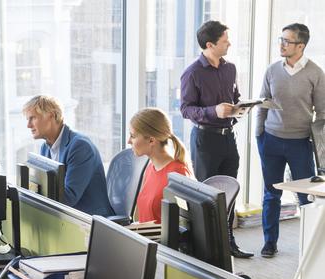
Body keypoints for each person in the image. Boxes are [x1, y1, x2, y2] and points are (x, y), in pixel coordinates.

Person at [180, 20, 253, 259]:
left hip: (227, 138)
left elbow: (235, 97)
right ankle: (205, 247)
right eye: (225, 40)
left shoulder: (230, 68)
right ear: (210, 44)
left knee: (229, 190)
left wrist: (240, 108)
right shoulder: (192, 73)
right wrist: (213, 111)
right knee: (207, 194)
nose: (229, 43)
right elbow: (186, 109)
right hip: (205, 140)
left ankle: (228, 242)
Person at [255, 23, 325, 258]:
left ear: (301, 46)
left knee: (307, 196)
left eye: (287, 41)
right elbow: (262, 104)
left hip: (300, 143)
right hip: (271, 140)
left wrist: (318, 146)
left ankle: (310, 247)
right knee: (271, 193)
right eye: (280, 39)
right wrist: (259, 135)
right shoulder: (272, 70)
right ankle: (269, 242)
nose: (281, 44)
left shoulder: (315, 73)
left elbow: (322, 114)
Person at [23, 95, 110, 216]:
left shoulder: (80, 147)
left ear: (51, 115)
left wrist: (33, 191)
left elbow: (68, 198)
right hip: (66, 218)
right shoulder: (45, 147)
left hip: (90, 222)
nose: (28, 125)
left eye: (32, 118)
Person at [128, 108, 192, 224]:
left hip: (159, 242)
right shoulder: (150, 168)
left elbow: (184, 227)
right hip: (145, 239)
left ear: (152, 140)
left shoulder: (178, 174)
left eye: (133, 136)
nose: (128, 141)